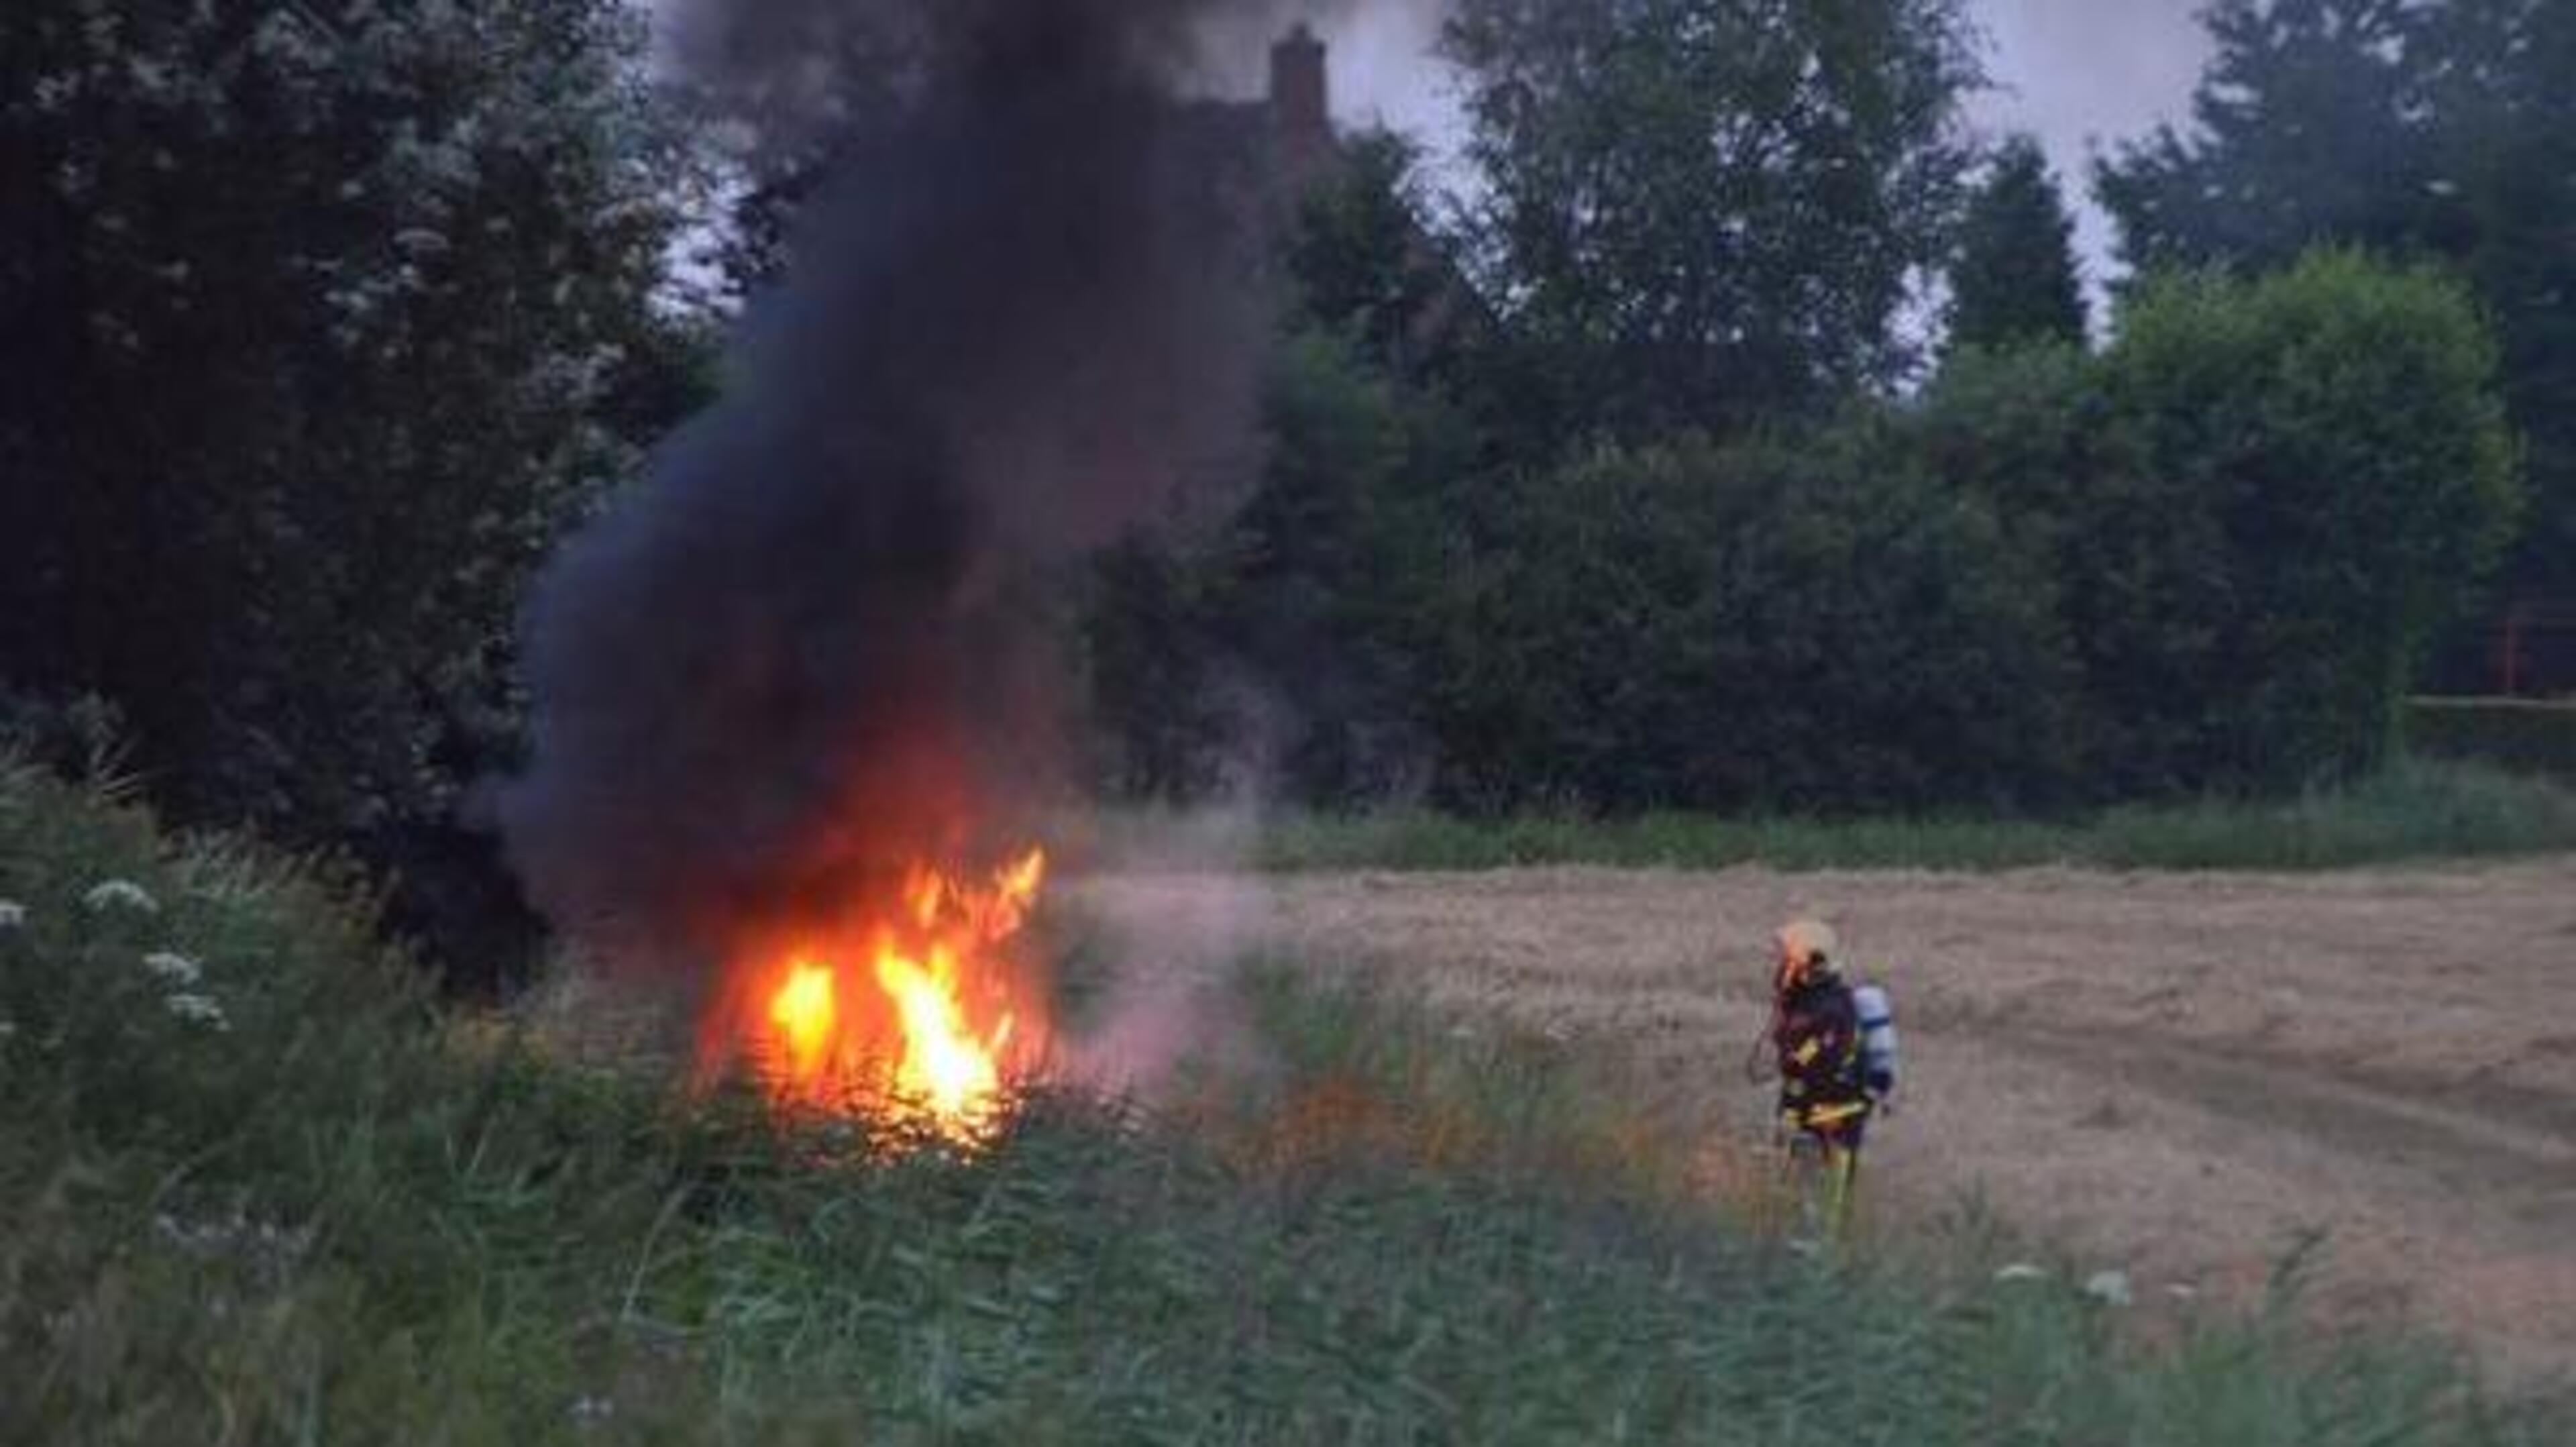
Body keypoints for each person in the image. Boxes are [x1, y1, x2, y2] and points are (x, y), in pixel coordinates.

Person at [1758, 917, 1872, 1238]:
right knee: (1794, 1197)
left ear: (1812, 963)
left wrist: (1794, 1110)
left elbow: (1804, 1061)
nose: (1782, 966)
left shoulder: (1830, 1010)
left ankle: (1826, 1262)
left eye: (1789, 960)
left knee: (1826, 1211)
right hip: (1806, 1110)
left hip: (1833, 1117)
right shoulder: (1807, 1001)